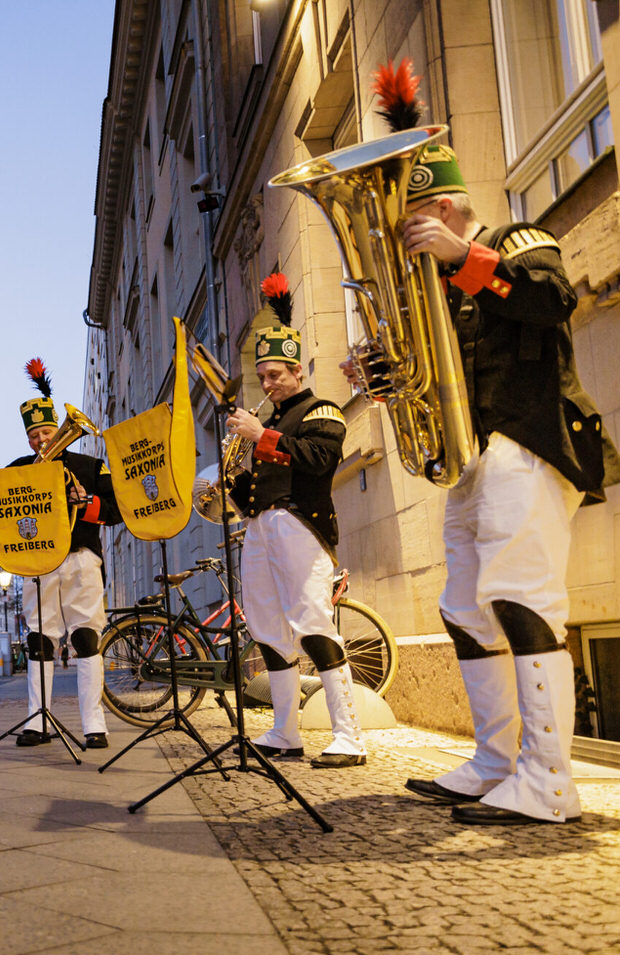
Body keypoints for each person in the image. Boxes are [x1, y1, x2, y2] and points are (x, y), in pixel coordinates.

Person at [366, 141, 619, 823]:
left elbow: (549, 299)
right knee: (464, 609)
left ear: (444, 208)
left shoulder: (517, 239)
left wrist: (460, 255)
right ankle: (494, 764)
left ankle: (548, 780)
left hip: (531, 441)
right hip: (475, 459)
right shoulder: (439, 289)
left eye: (410, 218)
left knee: (520, 599)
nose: (403, 235)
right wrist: (387, 375)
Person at [226, 275, 365, 768]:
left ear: (298, 370)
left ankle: (349, 735)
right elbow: (259, 488)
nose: (268, 384)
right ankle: (285, 731)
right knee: (266, 626)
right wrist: (230, 486)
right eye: (262, 376)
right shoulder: (275, 418)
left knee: (312, 622)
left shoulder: (321, 409)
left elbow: (318, 459)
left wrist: (262, 435)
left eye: (276, 375)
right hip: (262, 527)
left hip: (301, 526)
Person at [7, 359, 119, 749]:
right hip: (39, 564)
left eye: (47, 431)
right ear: (28, 440)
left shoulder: (89, 466)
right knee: (39, 640)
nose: (41, 440)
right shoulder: (18, 471)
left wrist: (84, 501)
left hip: (80, 556)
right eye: (34, 435)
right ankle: (37, 721)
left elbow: (116, 510)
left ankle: (95, 724)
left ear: (60, 430)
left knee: (87, 637)